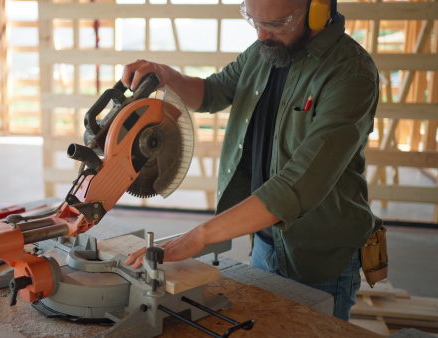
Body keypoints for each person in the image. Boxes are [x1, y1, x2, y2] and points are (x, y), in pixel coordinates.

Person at [122, 0, 383, 321]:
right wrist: (167, 76)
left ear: (318, 12)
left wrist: (199, 237)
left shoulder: (350, 73)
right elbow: (212, 93)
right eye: (254, 22)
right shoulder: (268, 49)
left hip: (318, 253)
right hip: (264, 240)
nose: (260, 35)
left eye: (274, 24)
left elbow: (296, 187)